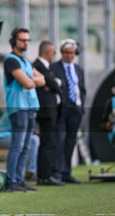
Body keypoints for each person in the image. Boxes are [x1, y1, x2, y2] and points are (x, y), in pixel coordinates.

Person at [3, 27, 45, 192]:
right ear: (14, 41)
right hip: (18, 107)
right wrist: (33, 80)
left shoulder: (27, 62)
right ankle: (11, 181)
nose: (25, 43)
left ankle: (19, 180)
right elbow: (28, 83)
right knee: (18, 145)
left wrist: (31, 80)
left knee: (26, 146)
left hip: (29, 107)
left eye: (27, 40)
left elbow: (41, 79)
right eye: (22, 40)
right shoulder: (11, 60)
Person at [51, 39, 86, 184]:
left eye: (71, 53)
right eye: (66, 53)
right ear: (61, 53)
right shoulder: (54, 68)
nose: (69, 55)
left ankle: (67, 172)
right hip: (61, 110)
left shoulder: (78, 69)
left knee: (71, 140)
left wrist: (81, 106)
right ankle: (57, 172)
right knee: (60, 139)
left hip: (75, 109)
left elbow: (82, 89)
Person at [33, 41, 65, 186]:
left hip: (50, 110)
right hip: (46, 110)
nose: (54, 56)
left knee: (48, 143)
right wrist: (53, 83)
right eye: (53, 53)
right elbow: (53, 83)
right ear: (49, 53)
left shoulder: (46, 67)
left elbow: (55, 83)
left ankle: (45, 175)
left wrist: (52, 83)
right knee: (48, 143)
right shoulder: (38, 66)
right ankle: (45, 176)